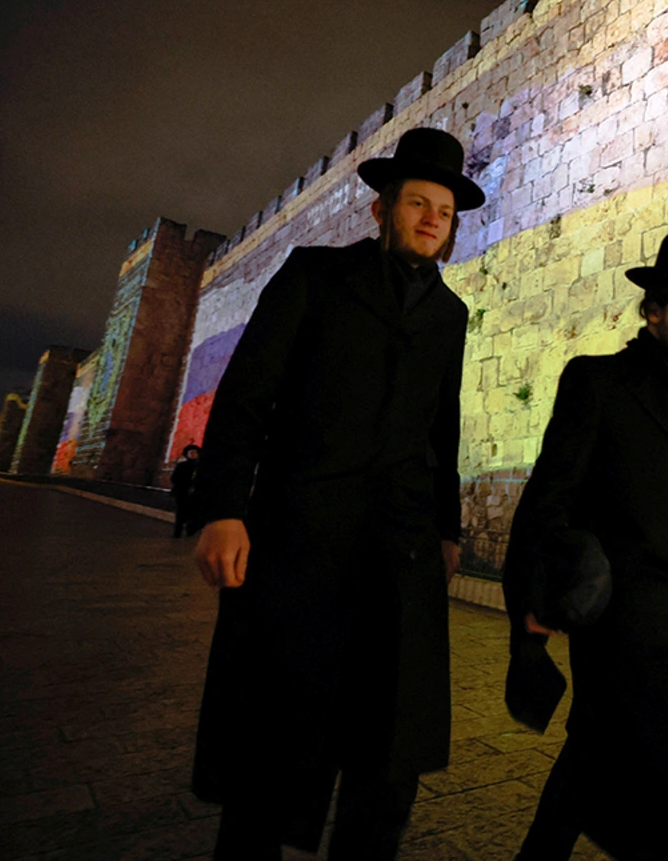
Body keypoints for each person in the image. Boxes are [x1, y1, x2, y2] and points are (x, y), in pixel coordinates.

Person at [189, 127, 483, 860]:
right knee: (275, 745)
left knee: (388, 753)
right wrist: (224, 507)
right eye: (417, 204)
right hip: (301, 544)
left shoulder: (450, 316)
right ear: (382, 210)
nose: (430, 220)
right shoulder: (315, 276)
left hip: (400, 553)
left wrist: (447, 530)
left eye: (443, 212)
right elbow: (246, 398)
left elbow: (440, 431)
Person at [503, 230, 668, 861]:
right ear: (652, 310)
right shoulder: (597, 381)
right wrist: (529, 604)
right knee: (605, 752)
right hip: (624, 625)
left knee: (655, 767)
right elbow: (550, 495)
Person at [170, 444, 201, 538]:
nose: (193, 454)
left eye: (195, 453)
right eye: (190, 453)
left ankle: (190, 530)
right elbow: (174, 478)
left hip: (195, 494)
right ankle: (177, 532)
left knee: (193, 513)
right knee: (180, 513)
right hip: (182, 493)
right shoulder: (181, 466)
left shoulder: (201, 467)